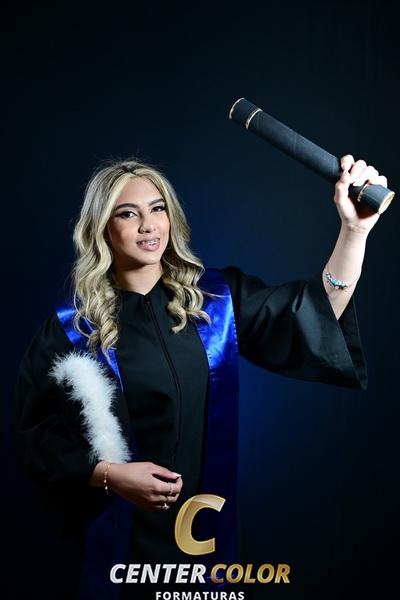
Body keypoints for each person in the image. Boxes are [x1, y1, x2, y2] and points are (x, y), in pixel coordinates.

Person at [13, 154, 386, 599]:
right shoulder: (72, 329)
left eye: (157, 209)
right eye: (128, 214)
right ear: (103, 229)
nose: (148, 225)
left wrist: (354, 231)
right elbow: (34, 438)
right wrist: (109, 475)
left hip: (205, 537)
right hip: (123, 545)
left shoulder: (216, 302)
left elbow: (310, 315)